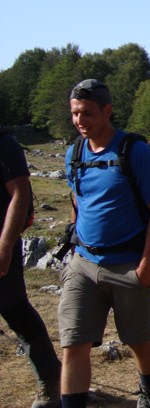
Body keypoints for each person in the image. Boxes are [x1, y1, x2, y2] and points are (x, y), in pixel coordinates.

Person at [60, 79, 150, 408]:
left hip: (128, 265)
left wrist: (146, 266)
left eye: (88, 113)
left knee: (138, 341)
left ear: (107, 111)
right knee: (73, 346)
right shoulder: (74, 153)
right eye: (75, 114)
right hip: (83, 263)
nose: (81, 121)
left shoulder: (132, 151)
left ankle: (149, 391)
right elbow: (77, 201)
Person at [0, 131, 61, 408]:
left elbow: (20, 193)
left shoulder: (4, 143)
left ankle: (50, 380)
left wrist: (5, 246)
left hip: (1, 243)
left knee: (15, 310)